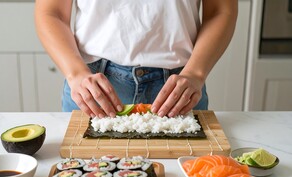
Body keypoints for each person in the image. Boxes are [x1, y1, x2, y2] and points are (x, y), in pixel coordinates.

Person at [35, 0, 237, 118]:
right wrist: (76, 73)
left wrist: (195, 73)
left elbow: (220, 10)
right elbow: (51, 12)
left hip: (181, 86)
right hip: (92, 85)